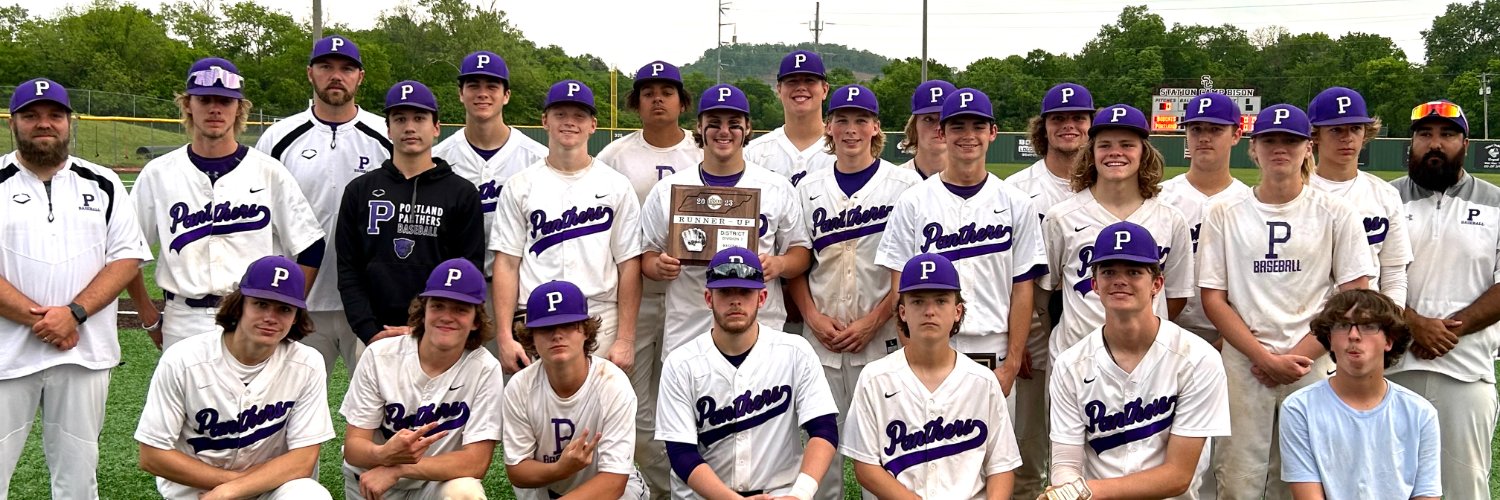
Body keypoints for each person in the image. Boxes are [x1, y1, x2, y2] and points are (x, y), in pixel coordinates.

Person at [1197, 104, 1375, 499]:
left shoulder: (1336, 211)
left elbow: (1354, 296)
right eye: (1270, 140)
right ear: (1254, 147)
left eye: (1291, 141)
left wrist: (1300, 356)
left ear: (1308, 147)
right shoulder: (1222, 212)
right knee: (1237, 478)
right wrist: (1263, 357)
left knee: (1304, 477)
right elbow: (1214, 298)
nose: (1281, 149)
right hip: (1244, 363)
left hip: (1313, 361)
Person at [0, 78, 151, 499]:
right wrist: (46, 320)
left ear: (70, 122)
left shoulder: (102, 182)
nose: (43, 124)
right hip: (5, 355)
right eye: (31, 115)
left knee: (78, 481)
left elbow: (126, 258)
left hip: (82, 353)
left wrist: (74, 314)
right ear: (14, 123)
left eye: (54, 115)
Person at [130, 56, 325, 350]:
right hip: (183, 318)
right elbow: (127, 251)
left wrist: (287, 308)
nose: (215, 108)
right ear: (187, 105)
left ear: (239, 108)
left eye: (225, 100)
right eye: (204, 99)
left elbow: (311, 246)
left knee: (257, 397)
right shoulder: (158, 174)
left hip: (252, 312)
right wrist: (147, 314)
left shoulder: (268, 171)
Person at [788, 83, 921, 500]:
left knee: (886, 453)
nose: (850, 129)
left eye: (860, 120)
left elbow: (908, 272)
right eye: (841, 119)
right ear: (828, 126)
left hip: (882, 338)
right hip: (821, 336)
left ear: (875, 127)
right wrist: (811, 317)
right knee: (818, 445)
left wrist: (874, 320)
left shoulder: (904, 187)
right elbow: (797, 262)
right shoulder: (807, 188)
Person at [875, 87, 1046, 398]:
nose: (968, 135)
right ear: (942, 132)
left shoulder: (1016, 203)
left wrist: (1012, 362)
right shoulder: (913, 201)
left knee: (992, 447)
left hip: (993, 346)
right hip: (930, 344)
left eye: (978, 126)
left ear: (993, 132)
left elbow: (1022, 287)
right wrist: (911, 352)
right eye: (957, 126)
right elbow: (899, 289)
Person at [1044, 222, 1230, 500]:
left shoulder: (1199, 359)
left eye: (1133, 271)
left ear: (1157, 284)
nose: (1120, 280)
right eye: (1108, 272)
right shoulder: (1070, 365)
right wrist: (1067, 493)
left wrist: (1081, 491)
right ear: (1095, 284)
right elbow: (1066, 463)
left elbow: (1178, 476)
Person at [135, 256, 334, 500]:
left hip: (270, 490)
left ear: (296, 317)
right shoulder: (183, 360)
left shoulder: (307, 364)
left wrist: (233, 490)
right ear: (239, 305)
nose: (271, 317)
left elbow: (303, 460)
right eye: (261, 304)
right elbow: (152, 455)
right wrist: (228, 485)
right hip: (196, 492)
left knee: (309, 495)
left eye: (284, 309)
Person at [640, 83, 812, 358]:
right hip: (689, 327)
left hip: (761, 326)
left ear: (747, 128)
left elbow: (801, 253)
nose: (724, 131)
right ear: (699, 127)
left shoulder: (775, 186)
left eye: (734, 123)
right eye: (714, 123)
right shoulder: (669, 189)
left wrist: (779, 263)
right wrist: (658, 266)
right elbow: (646, 256)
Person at [255, 34, 391, 377]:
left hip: (368, 300)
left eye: (347, 68)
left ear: (360, 76)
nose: (336, 75)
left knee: (382, 407)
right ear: (310, 73)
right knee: (285, 406)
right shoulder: (279, 136)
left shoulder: (385, 134)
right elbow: (259, 217)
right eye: (326, 66)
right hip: (297, 296)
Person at [596, 60, 701, 499]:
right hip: (633, 297)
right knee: (635, 409)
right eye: (648, 91)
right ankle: (668, 490)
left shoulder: (703, 148)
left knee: (691, 404)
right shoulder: (615, 156)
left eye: (667, 90)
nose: (657, 97)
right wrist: (644, 262)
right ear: (635, 102)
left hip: (696, 298)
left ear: (682, 101)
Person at [1385, 99, 1500, 500]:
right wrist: (1413, 323)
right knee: (1387, 484)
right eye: (1425, 134)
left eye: (1448, 135)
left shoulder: (1495, 201)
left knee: (1464, 487)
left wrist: (1451, 328)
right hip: (1390, 369)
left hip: (1466, 371)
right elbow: (1364, 277)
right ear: (1410, 143)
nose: (1436, 144)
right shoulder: (1384, 199)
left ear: (1465, 144)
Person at [656, 247, 838, 500]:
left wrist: (800, 495)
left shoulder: (795, 352)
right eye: (725, 292)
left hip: (780, 494)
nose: (735, 301)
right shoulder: (681, 363)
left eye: (744, 291)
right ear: (709, 299)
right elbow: (681, 453)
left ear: (762, 298)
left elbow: (824, 429)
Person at [491, 79, 644, 380]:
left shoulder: (616, 185)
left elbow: (629, 266)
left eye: (579, 115)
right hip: (535, 317)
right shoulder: (521, 185)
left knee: (600, 417)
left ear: (593, 125)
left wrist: (625, 338)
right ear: (545, 120)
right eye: (560, 114)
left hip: (599, 314)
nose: (569, 122)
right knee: (534, 416)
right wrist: (505, 337)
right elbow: (507, 264)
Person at [843, 253, 1021, 499]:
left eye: (940, 301)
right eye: (918, 302)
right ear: (902, 312)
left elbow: (1001, 466)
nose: (929, 311)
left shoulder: (983, 381)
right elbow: (865, 467)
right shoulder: (874, 379)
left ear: (957, 311)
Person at [335, 80, 486, 346]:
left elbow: (469, 270)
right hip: (376, 334)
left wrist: (437, 329)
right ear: (389, 130)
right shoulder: (360, 190)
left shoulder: (461, 193)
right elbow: (349, 269)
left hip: (439, 336)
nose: (410, 127)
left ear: (436, 127)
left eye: (419, 118)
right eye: (400, 119)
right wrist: (369, 330)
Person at [1040, 103, 1193, 359]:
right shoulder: (1061, 217)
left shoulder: (1170, 219)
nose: (1115, 153)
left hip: (1149, 359)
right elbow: (1042, 296)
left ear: (1144, 152)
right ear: (1091, 152)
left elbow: (1175, 297)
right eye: (1105, 145)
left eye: (1127, 144)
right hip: (1076, 358)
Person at [340, 259, 501, 500]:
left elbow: (475, 462)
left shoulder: (485, 368)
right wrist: (383, 454)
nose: (447, 316)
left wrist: (399, 468)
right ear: (423, 311)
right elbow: (354, 448)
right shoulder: (380, 355)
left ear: (476, 321)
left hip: (432, 484)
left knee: (465, 492)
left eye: (460, 309)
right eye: (438, 305)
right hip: (371, 482)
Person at [1003, 81, 1094, 499]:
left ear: (1090, 124)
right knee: (1026, 445)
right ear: (1044, 127)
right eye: (1059, 118)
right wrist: (1016, 343)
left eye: (1078, 117)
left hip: (1085, 329)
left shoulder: (1107, 184)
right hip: (1032, 334)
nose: (1069, 126)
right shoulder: (1018, 189)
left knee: (1090, 448)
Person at [1279, 289, 1440, 500]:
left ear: (1389, 341)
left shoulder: (1420, 413)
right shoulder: (1299, 409)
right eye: (1343, 326)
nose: (1353, 335)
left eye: (1368, 326)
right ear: (1330, 340)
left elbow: (1426, 495)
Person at [503, 280, 647, 499]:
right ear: (530, 335)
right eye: (546, 327)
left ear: (586, 331)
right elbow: (517, 471)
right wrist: (561, 469)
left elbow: (614, 481)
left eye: (568, 324)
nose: (557, 334)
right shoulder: (520, 387)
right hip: (547, 487)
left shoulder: (612, 383)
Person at [432, 51, 547, 301]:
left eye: (492, 86)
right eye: (473, 85)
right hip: (452, 287)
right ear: (460, 94)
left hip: (521, 285)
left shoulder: (538, 159)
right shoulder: (437, 159)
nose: (482, 93)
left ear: (506, 95)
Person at [1158, 92, 1253, 348]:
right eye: (1196, 128)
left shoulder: (1251, 203)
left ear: (1236, 135)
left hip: (1235, 338)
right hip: (1166, 332)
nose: (1204, 137)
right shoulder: (1159, 198)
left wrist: (1230, 341)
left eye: (1215, 129)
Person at [1308, 87, 1412, 306]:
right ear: (1315, 135)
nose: (1347, 138)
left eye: (1355, 128)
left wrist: (1390, 324)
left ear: (1366, 132)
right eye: (1336, 130)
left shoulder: (1385, 195)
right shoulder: (1297, 191)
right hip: (1304, 320)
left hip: (1364, 322)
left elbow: (1393, 274)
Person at [746, 49, 837, 187]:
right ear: (779, 90)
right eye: (792, 81)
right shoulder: (753, 154)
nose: (801, 87)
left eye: (809, 81)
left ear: (825, 90)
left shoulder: (842, 151)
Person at [896, 79, 957, 180]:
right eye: (929, 119)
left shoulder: (977, 184)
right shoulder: (895, 182)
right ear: (914, 126)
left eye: (945, 119)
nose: (939, 127)